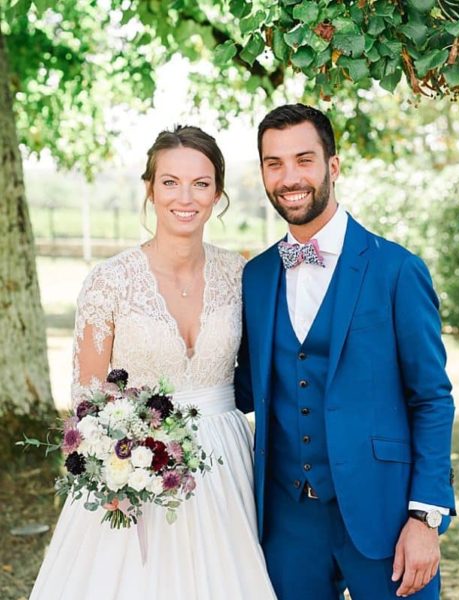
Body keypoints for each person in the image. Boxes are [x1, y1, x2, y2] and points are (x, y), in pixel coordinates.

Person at [30, 126, 276, 600]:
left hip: (228, 463)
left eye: (201, 183)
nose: (185, 197)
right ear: (150, 189)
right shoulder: (108, 282)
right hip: (135, 465)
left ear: (218, 194)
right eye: (170, 182)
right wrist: (111, 470)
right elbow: (87, 400)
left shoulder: (242, 275)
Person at [235, 104, 456, 600]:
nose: (289, 177)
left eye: (304, 160)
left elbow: (432, 399)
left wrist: (426, 515)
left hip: (387, 516)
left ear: (333, 167)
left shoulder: (397, 269)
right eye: (274, 163)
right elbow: (242, 389)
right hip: (287, 525)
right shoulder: (257, 276)